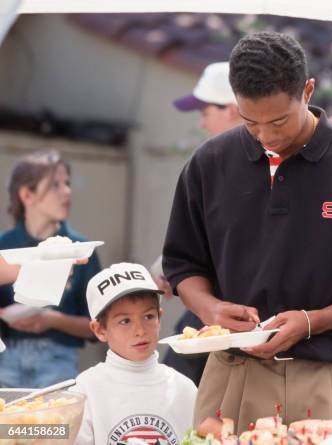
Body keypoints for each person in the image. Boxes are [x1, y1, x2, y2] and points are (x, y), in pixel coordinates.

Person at [162, 31, 332, 431]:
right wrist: (210, 309)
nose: (267, 136)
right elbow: (183, 266)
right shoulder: (208, 164)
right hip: (230, 378)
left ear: (308, 90)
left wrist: (313, 321)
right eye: (251, 123)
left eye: (279, 120)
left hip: (328, 380)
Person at [155, 61, 242, 385]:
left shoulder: (247, 164)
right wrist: (168, 267)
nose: (202, 123)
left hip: (237, 320)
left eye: (205, 112)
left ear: (232, 110)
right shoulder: (214, 163)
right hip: (211, 311)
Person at [0, 149, 102, 388]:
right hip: (5, 359)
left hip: (59, 362)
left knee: (54, 428)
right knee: (7, 427)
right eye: (55, 185)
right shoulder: (4, 247)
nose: (67, 191)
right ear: (27, 194)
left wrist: (52, 320)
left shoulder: (81, 249)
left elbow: (99, 325)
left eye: (67, 183)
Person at [72, 262, 197, 445]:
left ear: (159, 317)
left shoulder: (184, 388)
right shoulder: (84, 390)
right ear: (99, 330)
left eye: (148, 317)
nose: (140, 330)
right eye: (125, 321)